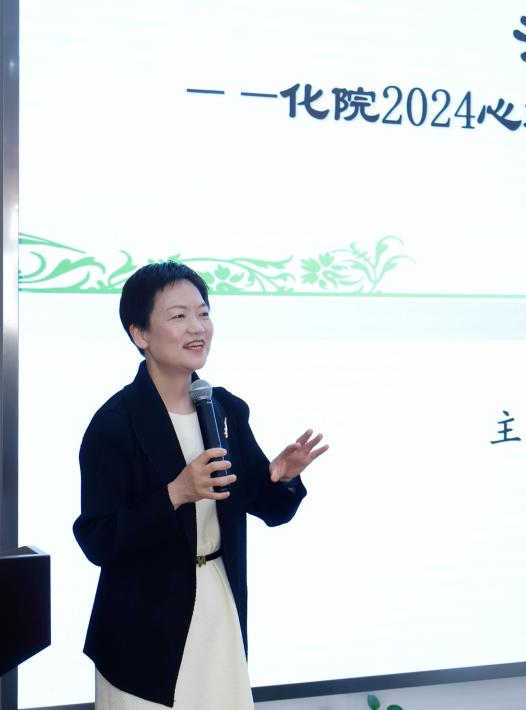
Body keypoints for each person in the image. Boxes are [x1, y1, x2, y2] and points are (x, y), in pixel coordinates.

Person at [73, 262, 329, 709]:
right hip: (142, 630)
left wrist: (285, 476)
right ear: (140, 334)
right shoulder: (114, 423)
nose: (197, 328)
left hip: (218, 604)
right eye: (179, 316)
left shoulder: (224, 408)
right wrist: (176, 493)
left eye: (203, 313)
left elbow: (268, 508)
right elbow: (98, 540)